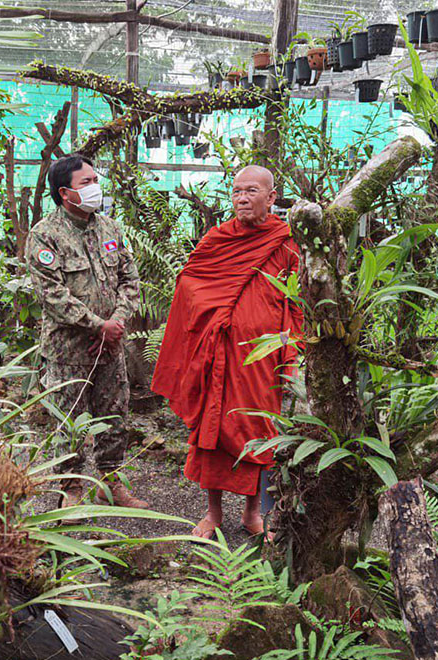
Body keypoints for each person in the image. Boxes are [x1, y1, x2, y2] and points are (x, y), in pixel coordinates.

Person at [152, 165, 303, 539]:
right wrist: (211, 316)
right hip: (216, 354)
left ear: (271, 198)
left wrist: (291, 354)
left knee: (258, 431)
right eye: (236, 191)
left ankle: (253, 514)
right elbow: (190, 280)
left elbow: (295, 302)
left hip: (260, 360)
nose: (242, 198)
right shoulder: (217, 239)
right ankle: (213, 512)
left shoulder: (285, 243)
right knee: (212, 430)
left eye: (251, 191)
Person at [26, 154, 149, 510]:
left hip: (110, 347)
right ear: (65, 193)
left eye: (96, 180)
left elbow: (130, 279)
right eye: (87, 183)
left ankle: (111, 486)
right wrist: (98, 326)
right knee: (69, 422)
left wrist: (118, 321)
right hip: (69, 352)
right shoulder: (45, 235)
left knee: (114, 417)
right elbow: (51, 295)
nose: (96, 188)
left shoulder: (109, 228)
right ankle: (71, 489)